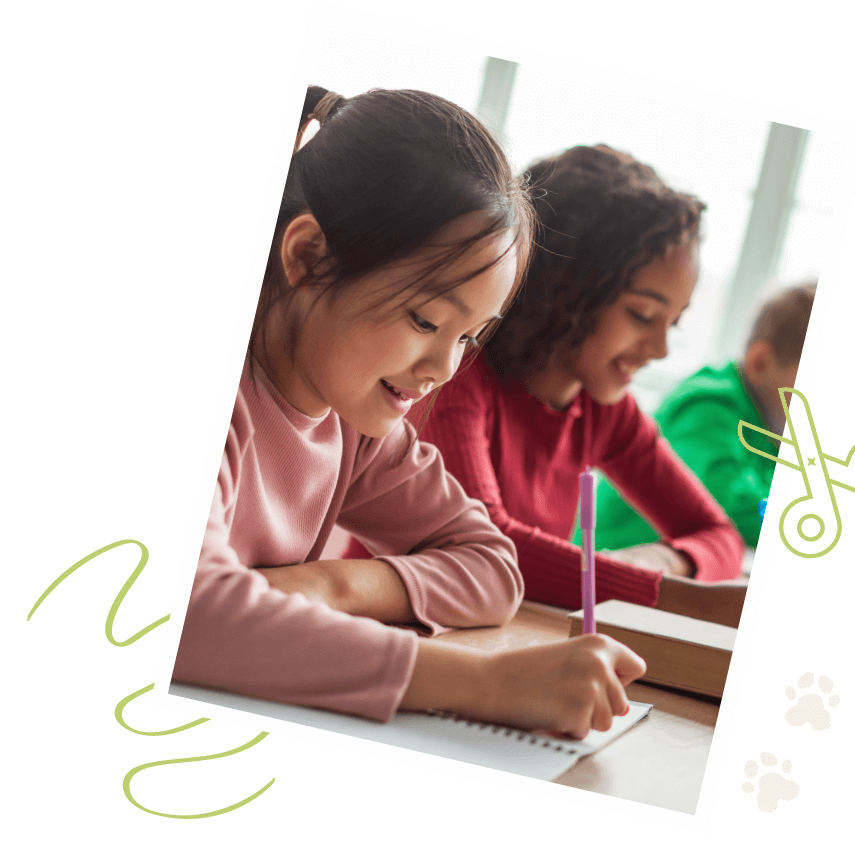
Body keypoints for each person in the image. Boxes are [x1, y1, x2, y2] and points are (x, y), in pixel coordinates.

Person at [172, 88, 646, 737]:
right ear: (308, 256)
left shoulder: (356, 424)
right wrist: (484, 683)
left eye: (468, 337)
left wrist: (324, 589)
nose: (443, 369)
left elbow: (490, 566)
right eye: (426, 320)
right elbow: (184, 613)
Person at [346, 145, 747, 627]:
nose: (660, 348)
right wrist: (668, 596)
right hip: (386, 632)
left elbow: (717, 533)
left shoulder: (603, 406)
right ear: (566, 289)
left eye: (673, 323)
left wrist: (664, 562)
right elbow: (484, 545)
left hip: (500, 636)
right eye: (642, 315)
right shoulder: (456, 377)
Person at [579, 282, 816, 550]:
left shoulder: (775, 431)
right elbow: (733, 507)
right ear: (760, 362)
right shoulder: (707, 405)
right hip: (604, 567)